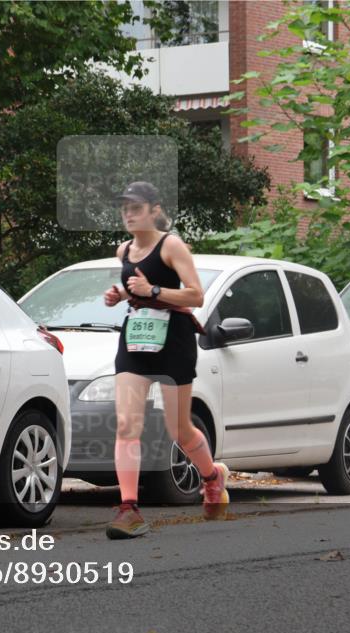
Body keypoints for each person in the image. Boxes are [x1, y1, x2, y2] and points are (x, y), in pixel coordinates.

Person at [102, 181, 229, 540]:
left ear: (154, 210)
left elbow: (197, 295)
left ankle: (211, 476)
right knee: (127, 424)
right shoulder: (123, 250)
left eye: (136, 208)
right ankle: (129, 509)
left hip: (173, 340)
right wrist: (120, 294)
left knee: (180, 430)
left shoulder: (172, 245)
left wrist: (154, 291)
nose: (128, 214)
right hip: (136, 339)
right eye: (124, 208)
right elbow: (134, 288)